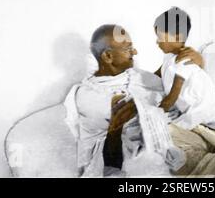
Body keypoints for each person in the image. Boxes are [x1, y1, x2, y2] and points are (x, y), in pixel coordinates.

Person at [63, 24, 204, 176]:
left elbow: (159, 79)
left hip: (178, 128)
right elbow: (111, 155)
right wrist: (115, 129)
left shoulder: (132, 75)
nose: (135, 52)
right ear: (108, 56)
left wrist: (190, 61)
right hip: (137, 156)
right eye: (128, 49)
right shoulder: (91, 96)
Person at [153, 7, 215, 132]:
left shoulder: (184, 62)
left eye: (160, 37)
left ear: (178, 37)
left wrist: (153, 116)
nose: (157, 41)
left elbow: (171, 98)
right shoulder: (168, 57)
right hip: (193, 109)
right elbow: (157, 76)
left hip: (207, 112)